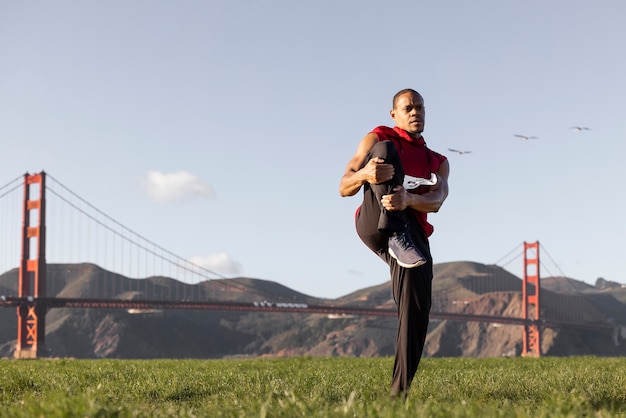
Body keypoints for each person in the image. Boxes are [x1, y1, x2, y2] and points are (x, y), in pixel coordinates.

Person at [339, 88, 449, 398]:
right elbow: (343, 186)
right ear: (395, 114)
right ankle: (395, 234)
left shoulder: (437, 161)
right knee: (386, 151)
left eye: (420, 107)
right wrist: (364, 173)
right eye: (409, 108)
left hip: (413, 234)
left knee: (417, 310)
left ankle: (397, 396)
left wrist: (409, 199)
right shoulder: (378, 136)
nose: (416, 112)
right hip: (374, 223)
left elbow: (438, 199)